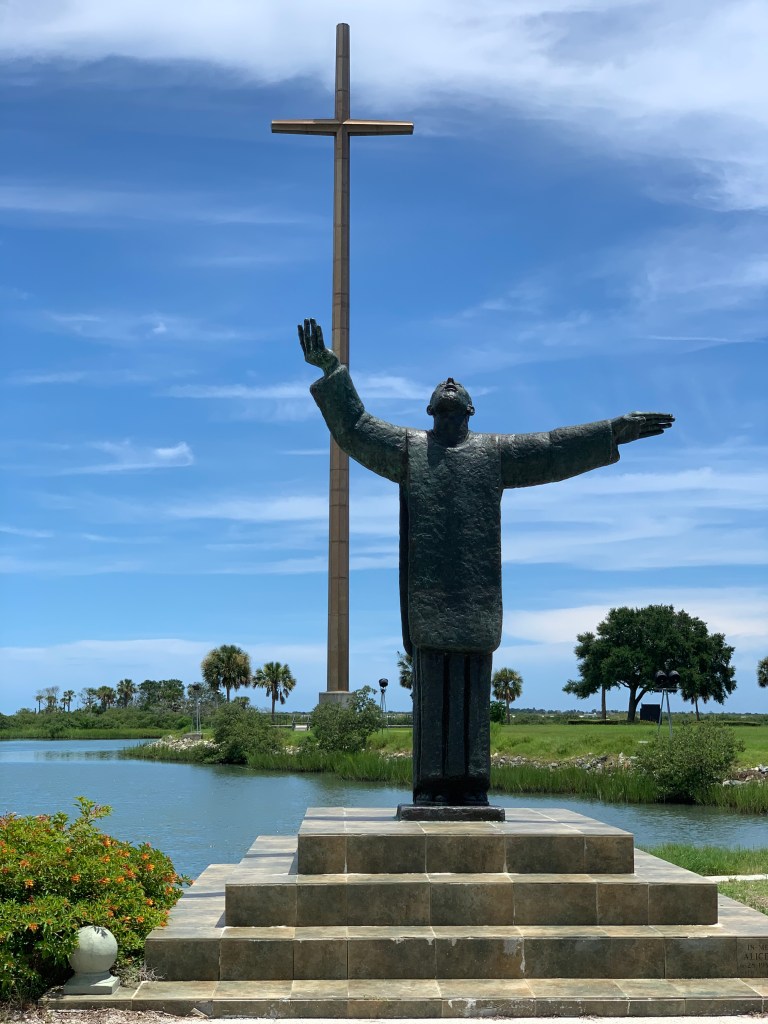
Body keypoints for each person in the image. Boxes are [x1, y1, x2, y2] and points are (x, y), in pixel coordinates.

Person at [299, 318, 674, 806]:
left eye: (458, 387)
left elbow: (552, 449)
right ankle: (431, 789)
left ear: (471, 409)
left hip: (476, 601)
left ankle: (473, 786)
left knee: (473, 696)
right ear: (430, 410)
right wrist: (332, 371)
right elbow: (354, 428)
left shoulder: (494, 453)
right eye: (442, 387)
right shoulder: (409, 449)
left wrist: (610, 433)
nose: (450, 381)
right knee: (434, 695)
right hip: (430, 599)